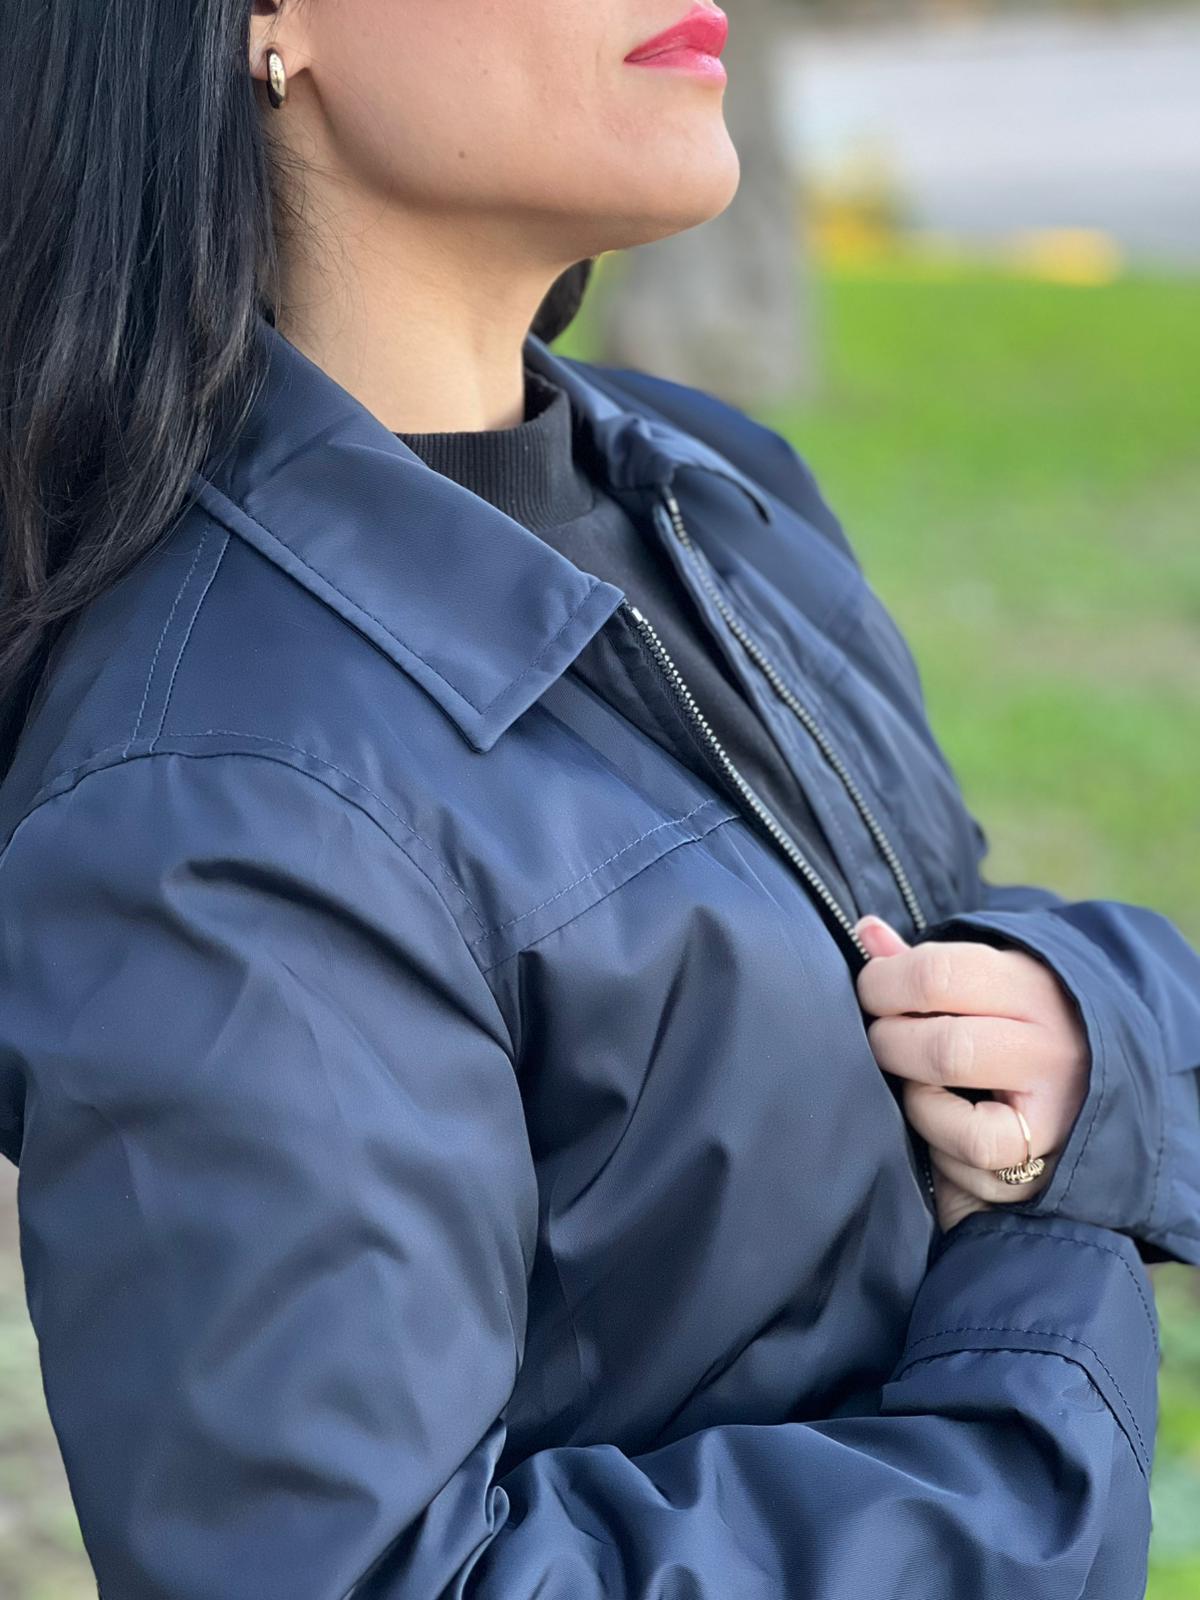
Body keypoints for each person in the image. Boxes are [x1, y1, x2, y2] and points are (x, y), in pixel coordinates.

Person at [0, 3, 1197, 1596]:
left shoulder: (707, 485)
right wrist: (1046, 1301)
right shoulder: (214, 809)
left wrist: (1087, 1043)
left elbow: (945, 949)